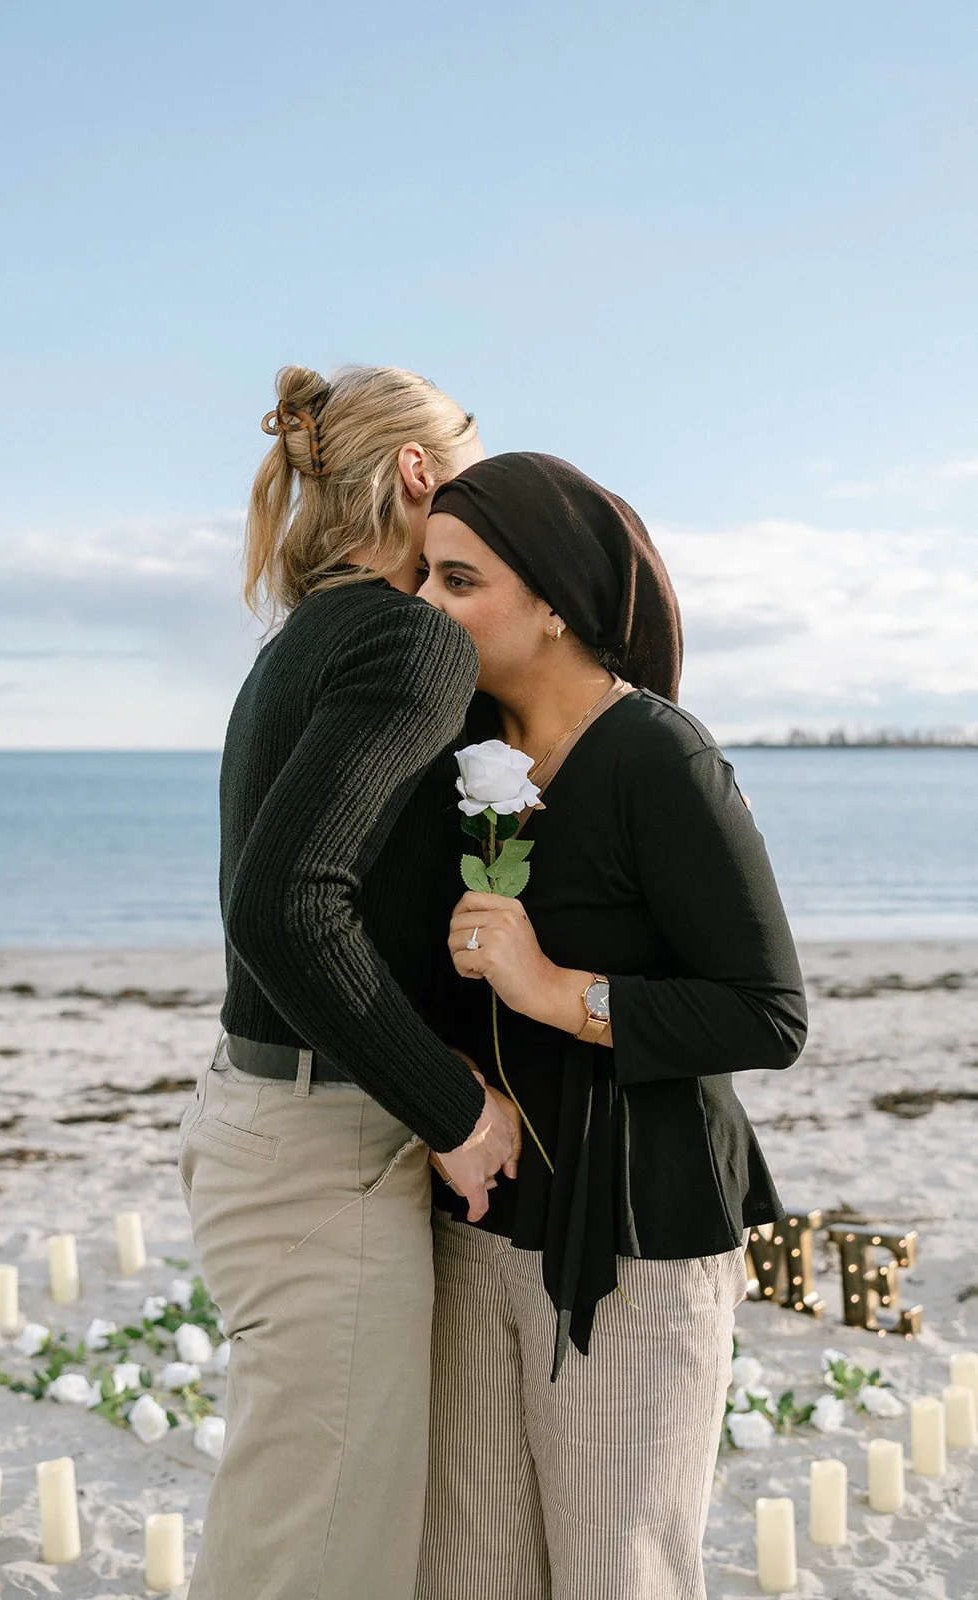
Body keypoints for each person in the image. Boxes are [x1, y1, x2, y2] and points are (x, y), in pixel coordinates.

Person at [415, 452, 808, 1600]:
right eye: (424, 577)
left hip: (638, 1231)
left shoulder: (657, 754)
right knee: (475, 1573)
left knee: (616, 1576)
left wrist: (554, 991)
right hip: (475, 1214)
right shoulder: (459, 757)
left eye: (457, 581)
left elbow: (767, 1012)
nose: (426, 606)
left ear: (550, 601)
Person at [178, 365, 522, 1600]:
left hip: (272, 1124)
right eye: (471, 468)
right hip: (325, 1147)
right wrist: (454, 1105)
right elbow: (282, 901)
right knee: (320, 1566)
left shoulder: (299, 643)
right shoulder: (405, 635)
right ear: (421, 478)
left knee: (298, 1537)